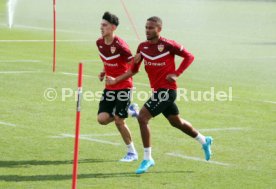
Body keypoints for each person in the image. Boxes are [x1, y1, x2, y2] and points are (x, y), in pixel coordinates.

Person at [106, 16, 213, 173]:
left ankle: (147, 158)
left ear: (159, 29)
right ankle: (204, 140)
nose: (147, 30)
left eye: (151, 28)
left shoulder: (169, 45)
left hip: (168, 91)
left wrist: (177, 73)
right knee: (176, 122)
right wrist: (118, 77)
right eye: (146, 27)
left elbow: (189, 57)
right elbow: (133, 70)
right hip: (158, 91)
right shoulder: (142, 47)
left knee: (142, 117)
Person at [96, 12, 139, 162]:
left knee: (119, 121)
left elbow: (134, 68)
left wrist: (117, 80)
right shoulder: (99, 43)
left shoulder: (121, 46)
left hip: (124, 87)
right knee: (101, 119)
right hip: (109, 88)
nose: (101, 27)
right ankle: (129, 109)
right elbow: (107, 60)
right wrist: (104, 71)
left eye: (104, 25)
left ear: (113, 27)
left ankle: (132, 152)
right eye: (101, 24)